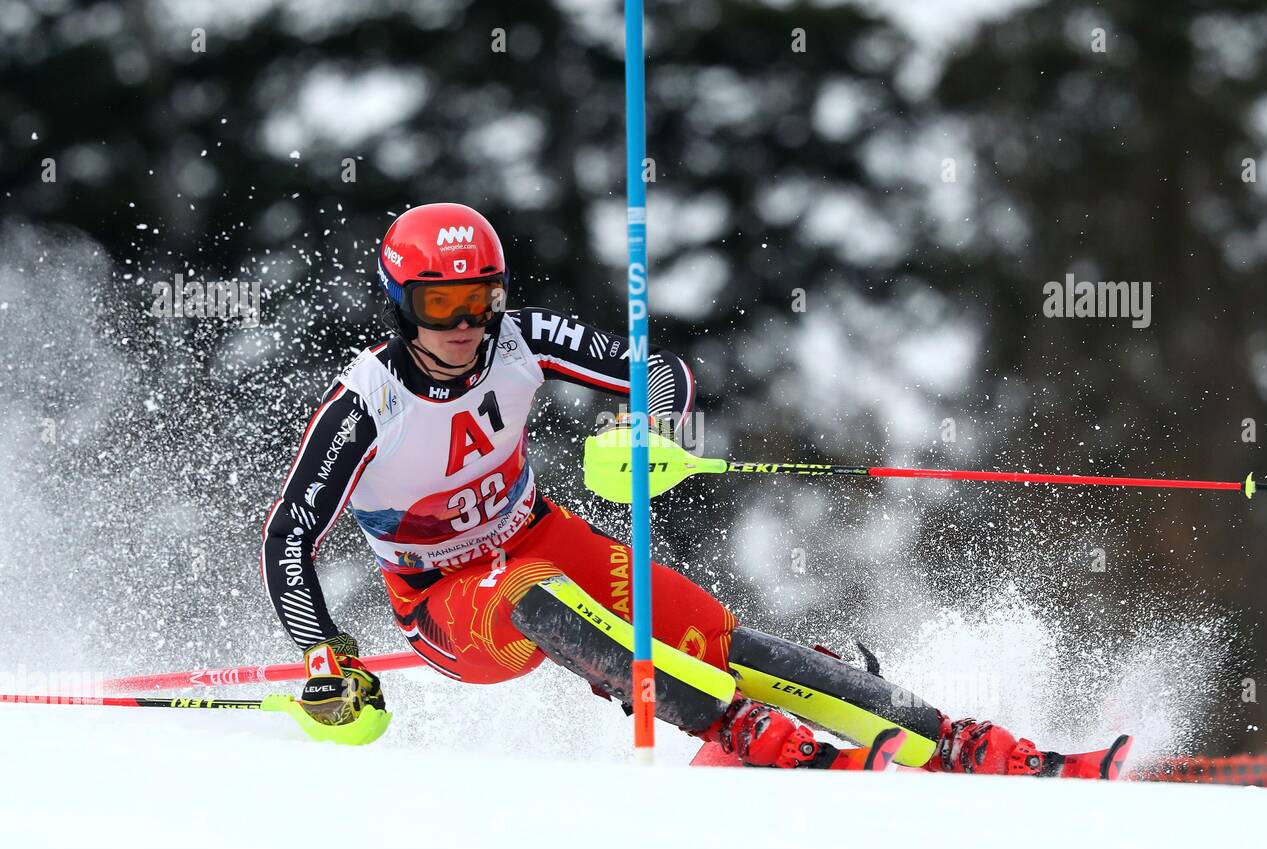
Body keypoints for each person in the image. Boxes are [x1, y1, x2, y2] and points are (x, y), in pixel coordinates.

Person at [261, 202, 1129, 777]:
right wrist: (321, 652)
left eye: (480, 301)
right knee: (534, 593)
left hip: (535, 536)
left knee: (714, 635)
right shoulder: (366, 405)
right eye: (438, 306)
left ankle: (960, 741)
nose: (464, 328)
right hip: (445, 599)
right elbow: (287, 538)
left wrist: (651, 428)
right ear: (399, 304)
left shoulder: (519, 339)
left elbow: (660, 373)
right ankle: (736, 730)